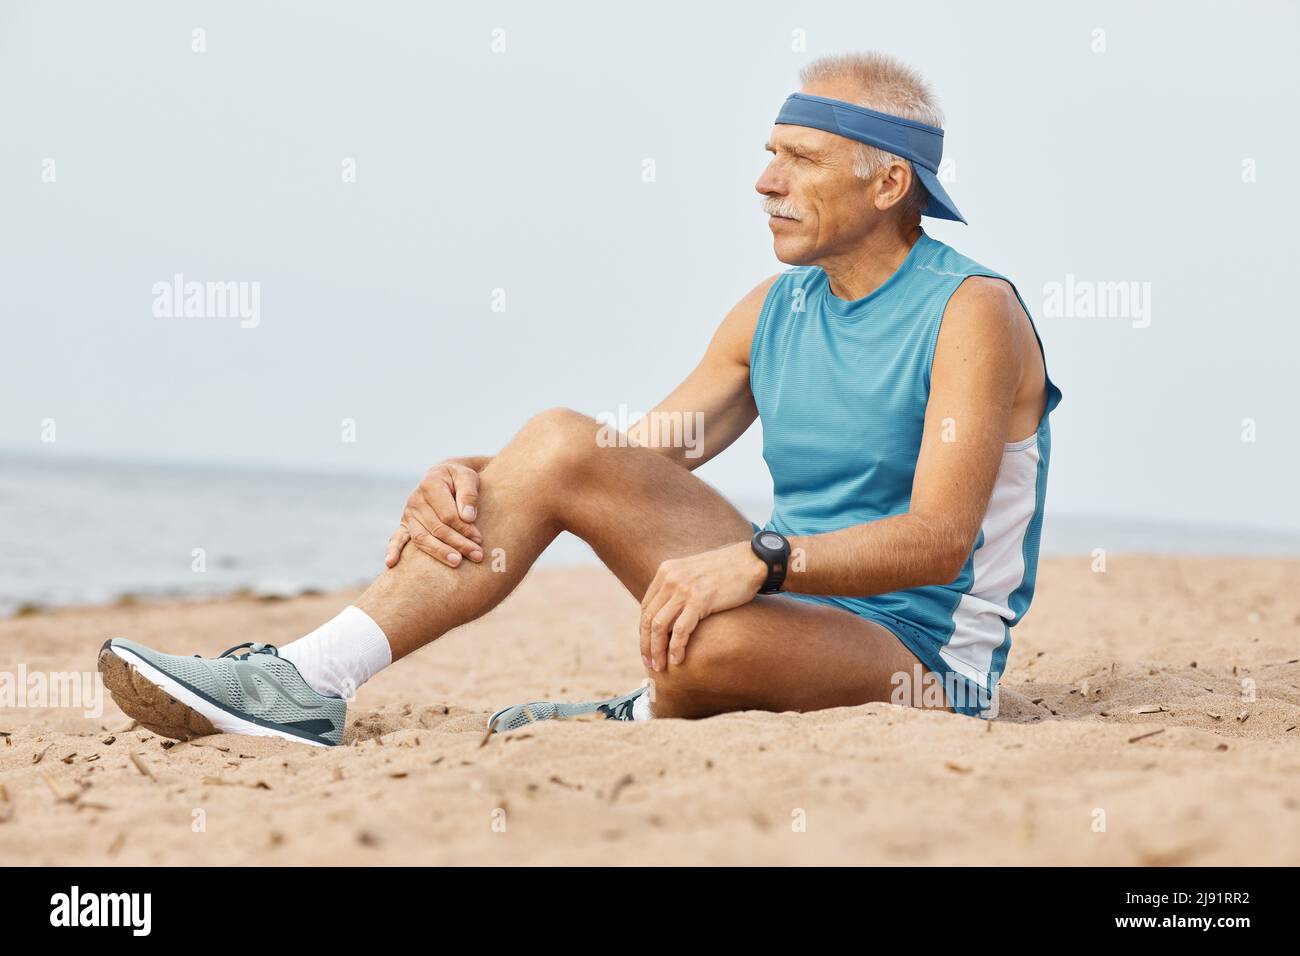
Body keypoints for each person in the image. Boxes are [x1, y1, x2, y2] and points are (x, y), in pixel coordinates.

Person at [98, 51, 1061, 746]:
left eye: (801, 159)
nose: (765, 182)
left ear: (890, 181)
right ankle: (308, 678)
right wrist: (482, 474)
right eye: (769, 153)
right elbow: (634, 459)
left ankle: (642, 715)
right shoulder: (773, 309)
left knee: (701, 651)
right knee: (559, 438)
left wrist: (760, 560)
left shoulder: (970, 312)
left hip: (923, 661)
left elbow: (939, 538)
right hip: (791, 608)